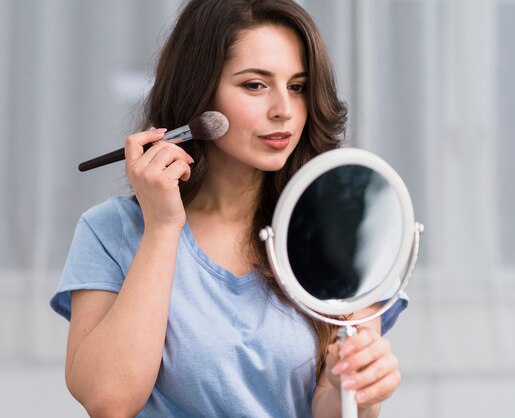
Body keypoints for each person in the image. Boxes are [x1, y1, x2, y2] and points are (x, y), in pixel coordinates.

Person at [50, 0, 407, 416]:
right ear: (199, 93)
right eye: (255, 85)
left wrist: (356, 394)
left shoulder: (340, 229)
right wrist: (164, 227)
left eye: (297, 86)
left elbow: (332, 408)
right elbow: (109, 400)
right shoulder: (109, 231)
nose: (284, 111)